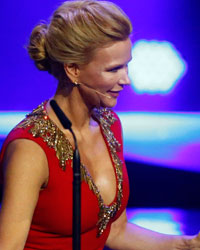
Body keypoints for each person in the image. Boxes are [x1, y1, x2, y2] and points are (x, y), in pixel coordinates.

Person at [0, 0, 200, 249]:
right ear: (73, 69)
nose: (126, 79)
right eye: (113, 69)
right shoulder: (30, 149)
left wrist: (188, 244)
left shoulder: (109, 124)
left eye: (126, 65)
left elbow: (114, 230)